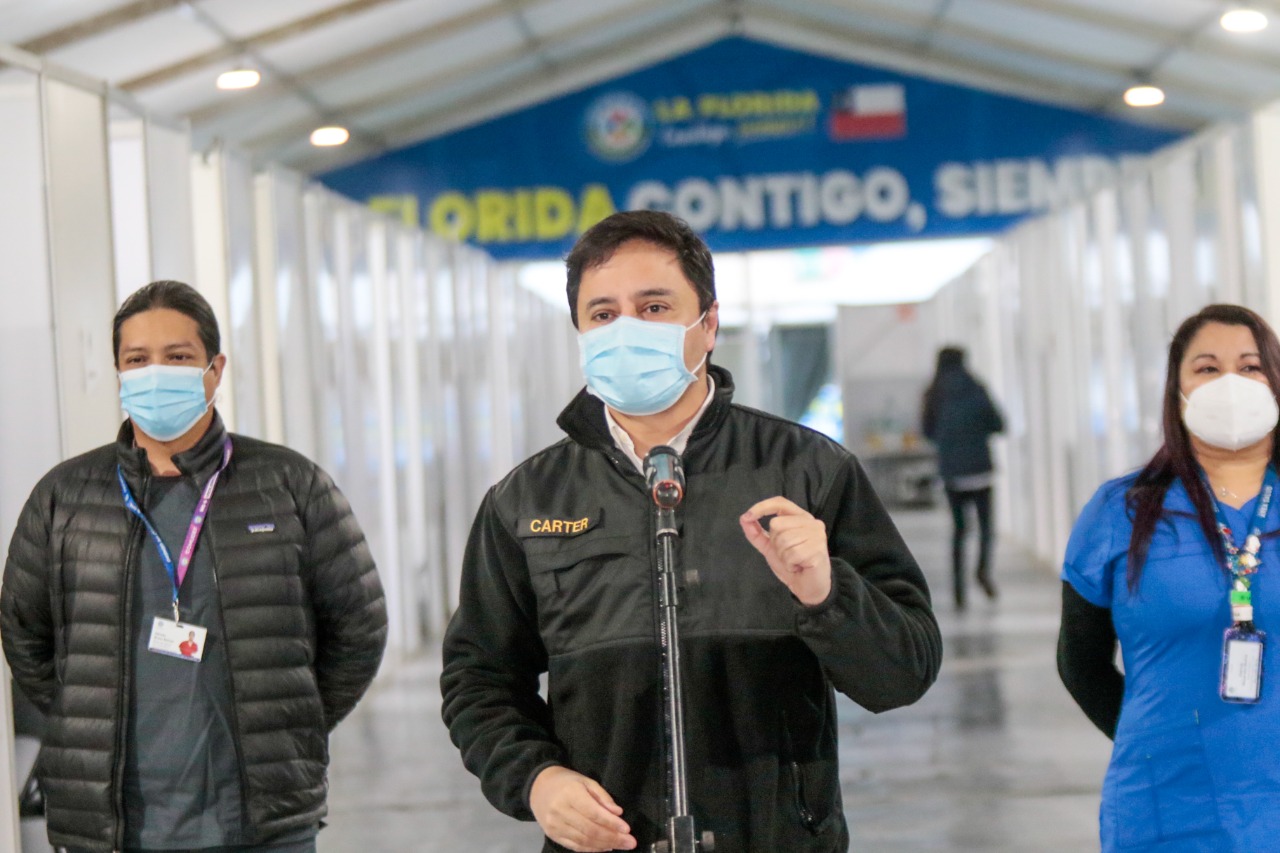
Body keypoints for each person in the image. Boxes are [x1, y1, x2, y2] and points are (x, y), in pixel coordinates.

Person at [440, 210, 941, 853]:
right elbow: (479, 680)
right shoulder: (525, 501)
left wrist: (827, 593)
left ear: (708, 326)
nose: (627, 329)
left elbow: (904, 673)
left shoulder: (809, 471)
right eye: (603, 314)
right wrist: (537, 780)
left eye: (654, 307)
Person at [1, 280, 388, 853]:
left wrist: (285, 722)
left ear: (215, 369)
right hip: (111, 831)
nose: (156, 372)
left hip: (261, 826)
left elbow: (359, 629)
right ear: (118, 373)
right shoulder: (64, 498)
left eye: (178, 357)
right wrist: (90, 720)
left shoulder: (289, 486)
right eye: (137, 359)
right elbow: (23, 635)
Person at [1058, 303, 1280, 851]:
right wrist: (1151, 742)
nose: (1231, 382)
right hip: (1165, 805)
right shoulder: (1122, 512)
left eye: (1250, 367)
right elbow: (1080, 662)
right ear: (1177, 392)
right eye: (1207, 368)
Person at [921, 346, 1004, 608]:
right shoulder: (978, 388)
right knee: (986, 529)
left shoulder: (934, 393)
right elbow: (998, 424)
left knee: (959, 531)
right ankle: (983, 571)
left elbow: (927, 431)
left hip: (952, 474)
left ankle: (958, 590)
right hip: (980, 470)